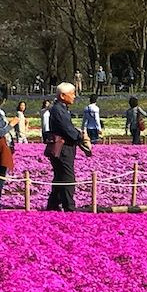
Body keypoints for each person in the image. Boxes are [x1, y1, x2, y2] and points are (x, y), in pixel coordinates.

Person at [43, 83, 85, 211]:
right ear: (62, 95)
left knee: (60, 176)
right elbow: (67, 129)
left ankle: (53, 205)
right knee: (67, 176)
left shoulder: (61, 109)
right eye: (72, 93)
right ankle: (69, 206)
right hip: (63, 148)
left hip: (64, 147)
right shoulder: (58, 110)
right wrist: (80, 136)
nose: (74, 96)